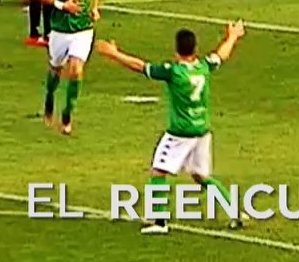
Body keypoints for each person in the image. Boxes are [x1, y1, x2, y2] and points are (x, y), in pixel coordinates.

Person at [95, 21, 248, 235]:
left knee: (158, 171)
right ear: (195, 49)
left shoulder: (173, 72)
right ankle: (236, 212)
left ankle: (160, 222)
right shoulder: (203, 66)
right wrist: (232, 36)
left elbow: (141, 66)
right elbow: (221, 55)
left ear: (176, 50)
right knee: (200, 175)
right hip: (202, 130)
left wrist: (114, 54)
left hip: (181, 133)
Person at [32, 0, 103, 135]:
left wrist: (95, 8)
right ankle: (49, 97)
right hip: (60, 31)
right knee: (56, 68)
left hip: (83, 31)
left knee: (76, 69)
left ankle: (67, 113)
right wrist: (63, 5)